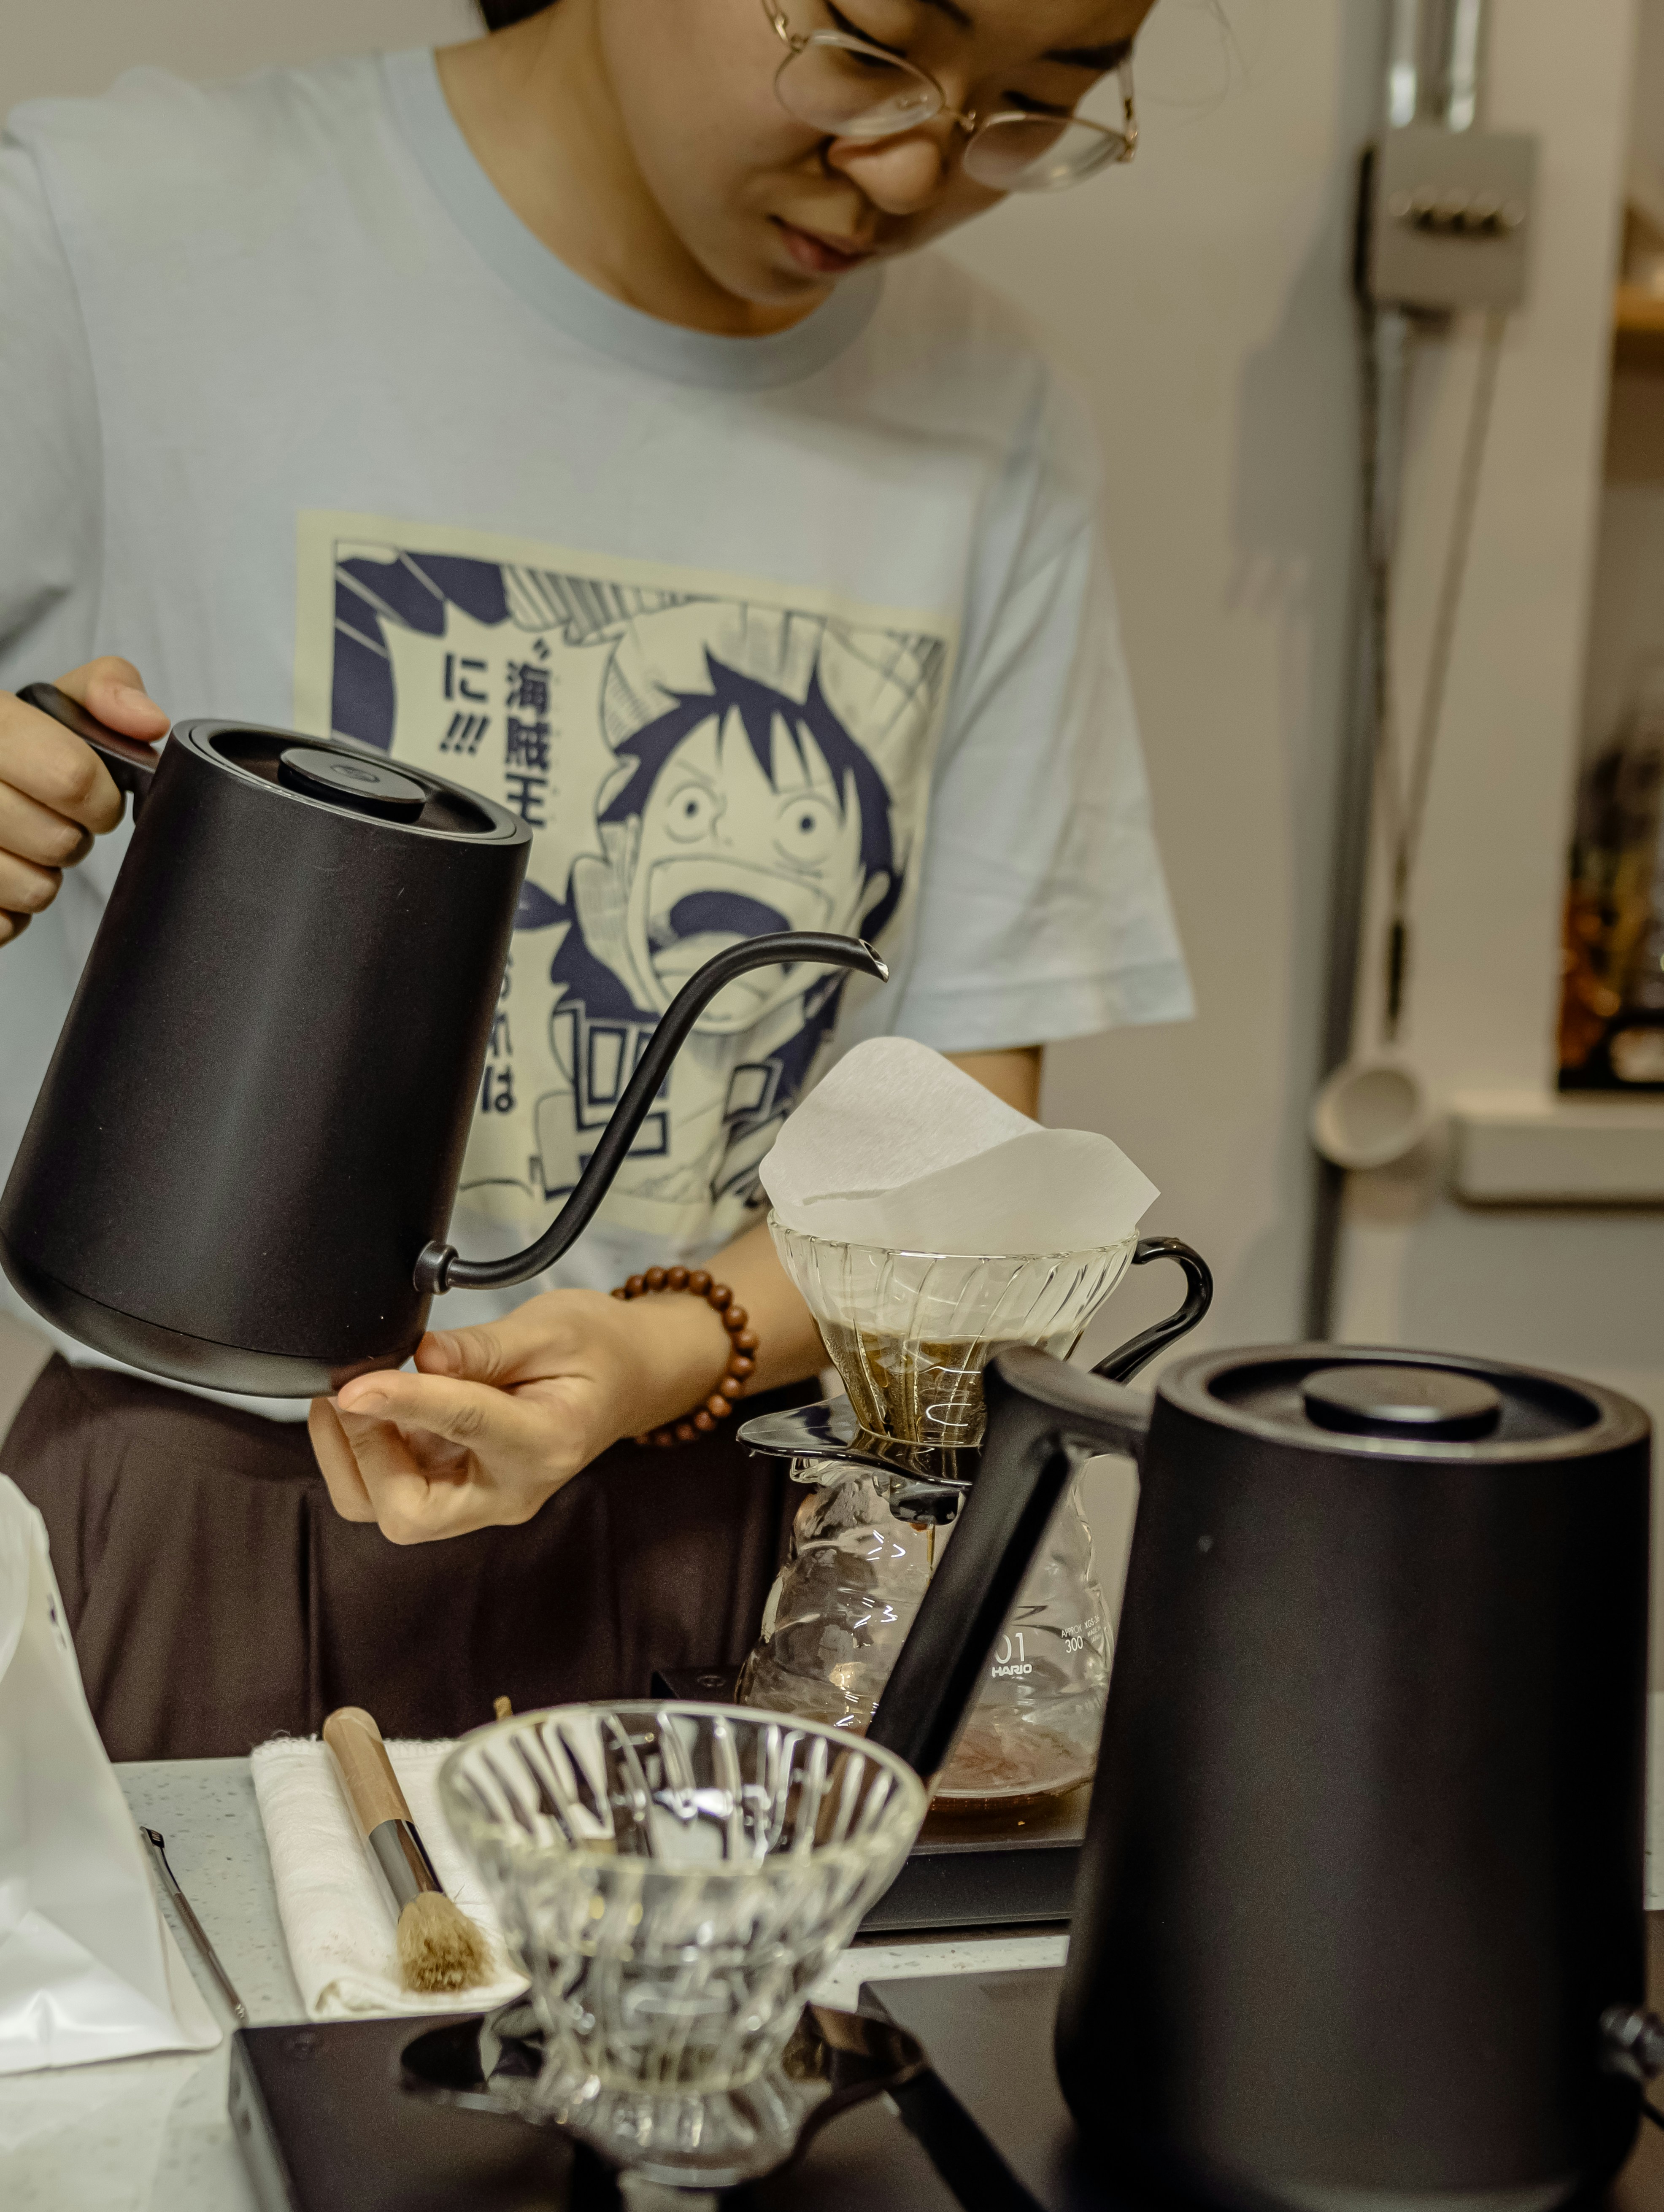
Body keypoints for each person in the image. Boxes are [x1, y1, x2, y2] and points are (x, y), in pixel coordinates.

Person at [0, 0, 1190, 1756]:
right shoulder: (108, 244)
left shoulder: (990, 420)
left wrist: (657, 1350)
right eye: (868, 46)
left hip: (719, 1550)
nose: (917, 165)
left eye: (1037, 104)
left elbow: (957, 1171)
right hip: (192, 1523)